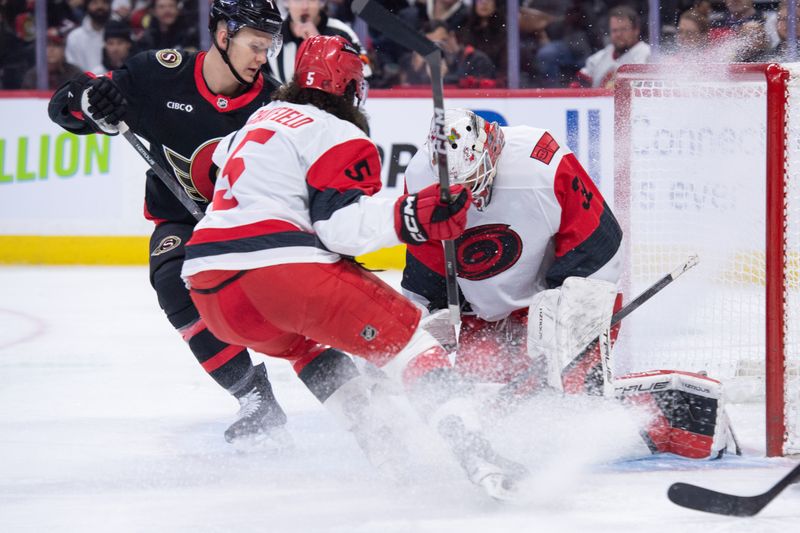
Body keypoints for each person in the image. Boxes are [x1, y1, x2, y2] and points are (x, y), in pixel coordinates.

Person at [180, 35, 527, 499]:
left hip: (212, 292)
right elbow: (339, 228)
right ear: (347, 87)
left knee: (308, 350)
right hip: (281, 271)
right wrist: (411, 216)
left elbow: (207, 164)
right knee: (409, 341)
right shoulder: (340, 133)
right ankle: (477, 451)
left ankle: (384, 450)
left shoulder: (259, 119)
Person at [401, 108, 735, 460]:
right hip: (483, 309)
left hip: (563, 292)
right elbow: (427, 256)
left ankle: (668, 416)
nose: (467, 198)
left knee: (563, 394)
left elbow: (600, 242)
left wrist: (562, 319)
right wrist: (428, 314)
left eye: (472, 182)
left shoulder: (541, 162)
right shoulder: (420, 177)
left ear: (491, 150)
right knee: (484, 394)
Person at [47, 0, 296, 445]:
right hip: (183, 219)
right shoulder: (160, 74)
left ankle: (348, 377)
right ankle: (254, 396)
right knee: (170, 279)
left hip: (248, 225)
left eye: (270, 46)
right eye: (256, 45)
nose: (264, 57)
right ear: (223, 36)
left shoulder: (272, 105)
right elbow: (67, 107)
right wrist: (88, 102)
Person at [266, 0, 370, 85]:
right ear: (286, 2)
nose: (304, 6)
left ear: (322, 2)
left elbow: (365, 73)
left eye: (311, 0)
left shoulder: (341, 32)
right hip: (285, 107)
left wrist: (320, 44)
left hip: (330, 107)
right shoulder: (272, 34)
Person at [574, 5, 650, 88]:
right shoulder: (599, 58)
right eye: (614, 30)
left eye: (623, 29)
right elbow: (579, 85)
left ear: (636, 30)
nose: (618, 34)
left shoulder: (648, 55)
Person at [401, 20, 495, 87]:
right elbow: (412, 87)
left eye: (442, 41)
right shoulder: (423, 62)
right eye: (431, 44)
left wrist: (441, 78)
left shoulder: (476, 60)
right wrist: (416, 69)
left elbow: (481, 88)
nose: (438, 48)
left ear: (452, 36)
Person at [65, 0, 111, 71]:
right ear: (87, 6)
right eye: (95, 3)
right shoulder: (74, 37)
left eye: (104, 2)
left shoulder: (117, 35)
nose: (100, 6)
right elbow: (72, 67)